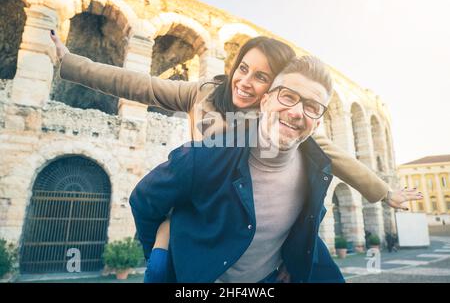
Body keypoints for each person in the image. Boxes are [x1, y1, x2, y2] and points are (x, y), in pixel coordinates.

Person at [49, 31, 422, 280]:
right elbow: (137, 85)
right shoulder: (203, 93)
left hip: (249, 211)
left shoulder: (277, 117)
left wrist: (384, 193)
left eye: (261, 77)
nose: (246, 81)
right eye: (243, 68)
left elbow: (331, 153)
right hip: (205, 206)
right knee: (161, 270)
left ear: (274, 89)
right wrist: (69, 62)